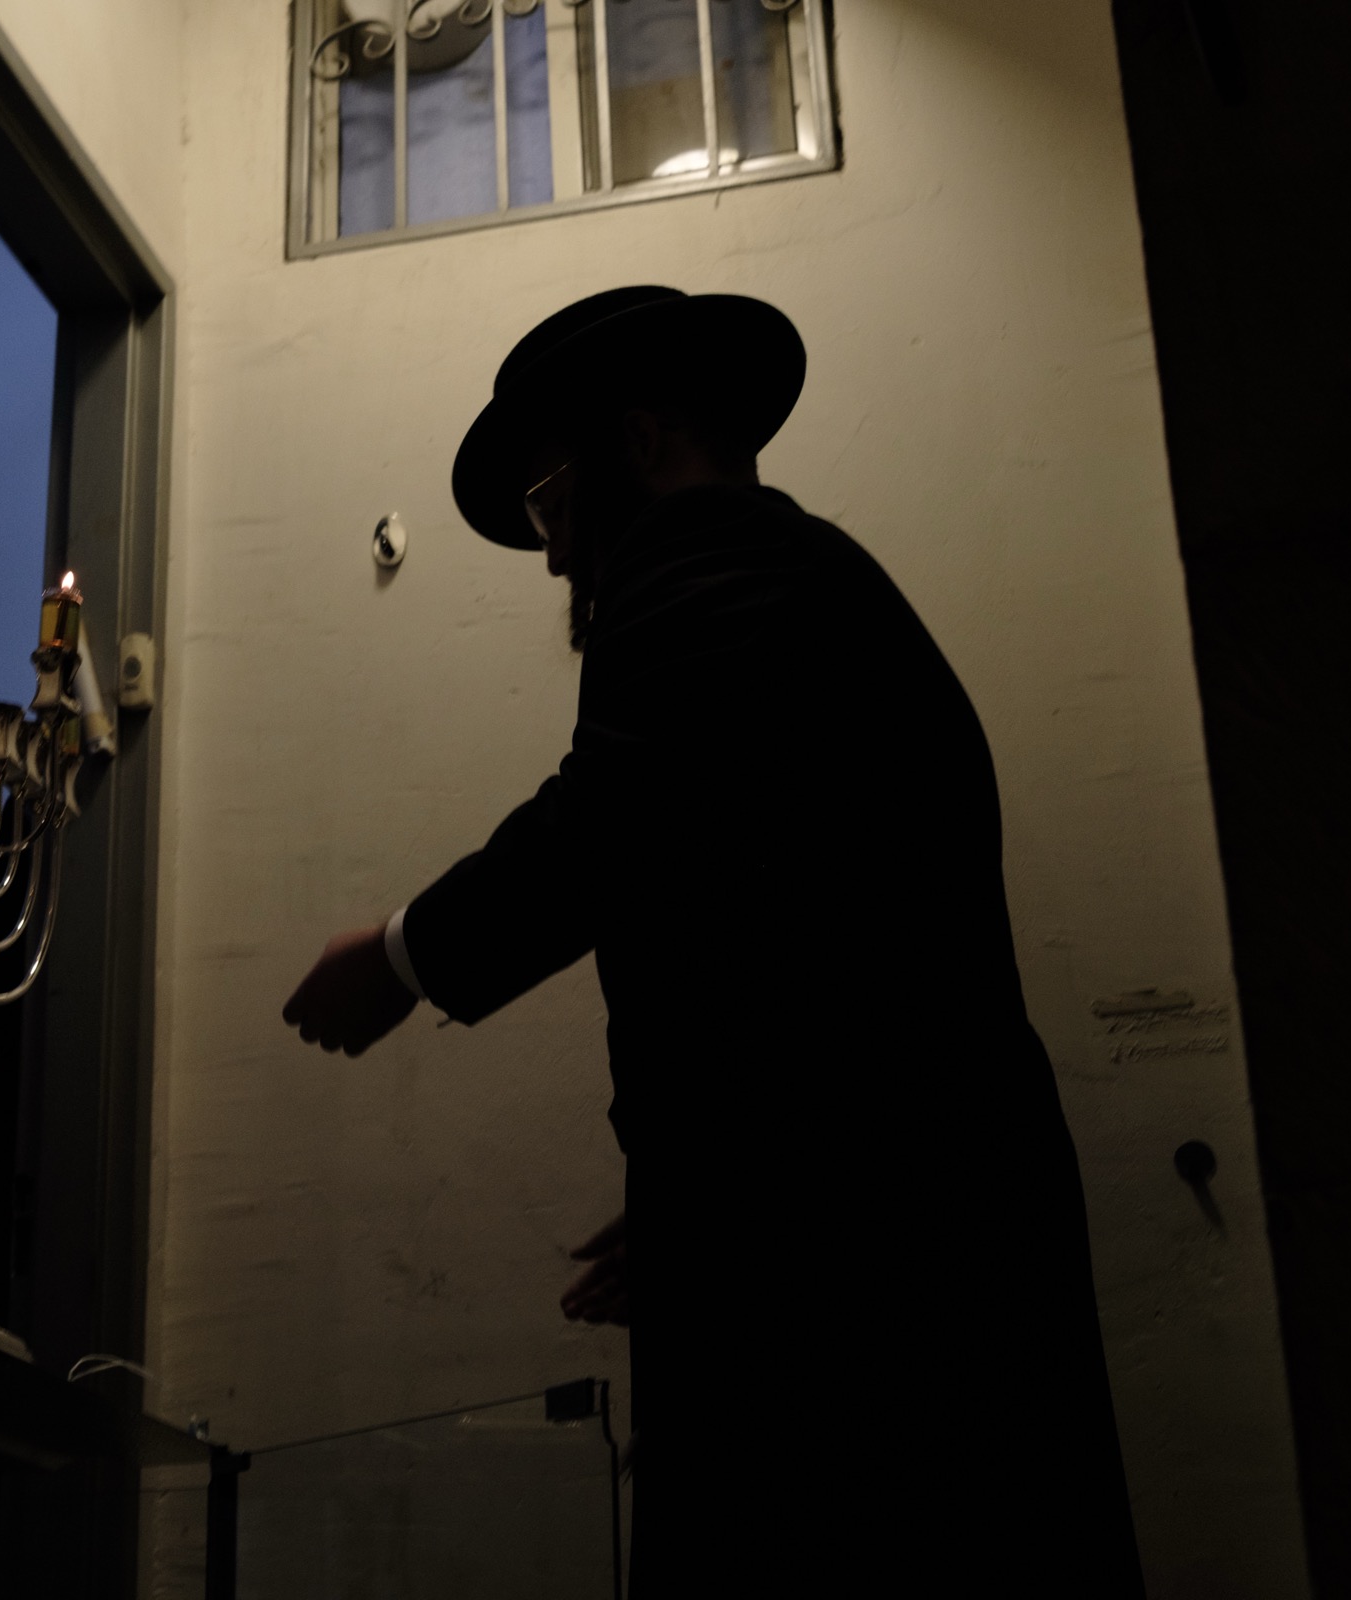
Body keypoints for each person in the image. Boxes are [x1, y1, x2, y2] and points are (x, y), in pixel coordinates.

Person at [281, 287, 1144, 1594]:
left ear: (641, 444)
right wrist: (714, 1193)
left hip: (872, 1284)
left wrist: (402, 958)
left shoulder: (707, 558)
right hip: (866, 1226)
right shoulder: (798, 588)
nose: (559, 559)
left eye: (552, 506)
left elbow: (621, 810)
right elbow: (804, 951)